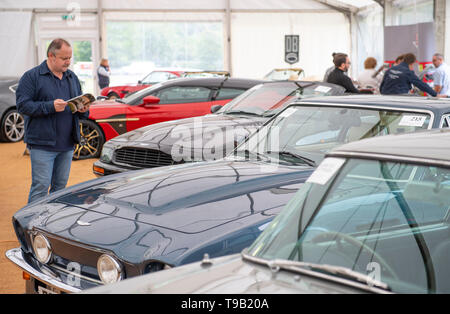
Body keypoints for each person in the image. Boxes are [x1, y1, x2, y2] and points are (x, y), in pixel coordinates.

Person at [16, 38, 90, 203]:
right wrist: (50, 106)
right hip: (42, 145)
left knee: (60, 189)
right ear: (51, 55)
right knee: (40, 188)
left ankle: (51, 226)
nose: (68, 62)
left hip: (67, 144)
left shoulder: (72, 77)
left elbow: (78, 107)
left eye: (70, 58)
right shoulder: (32, 77)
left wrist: (83, 109)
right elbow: (22, 106)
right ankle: (32, 225)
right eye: (64, 58)